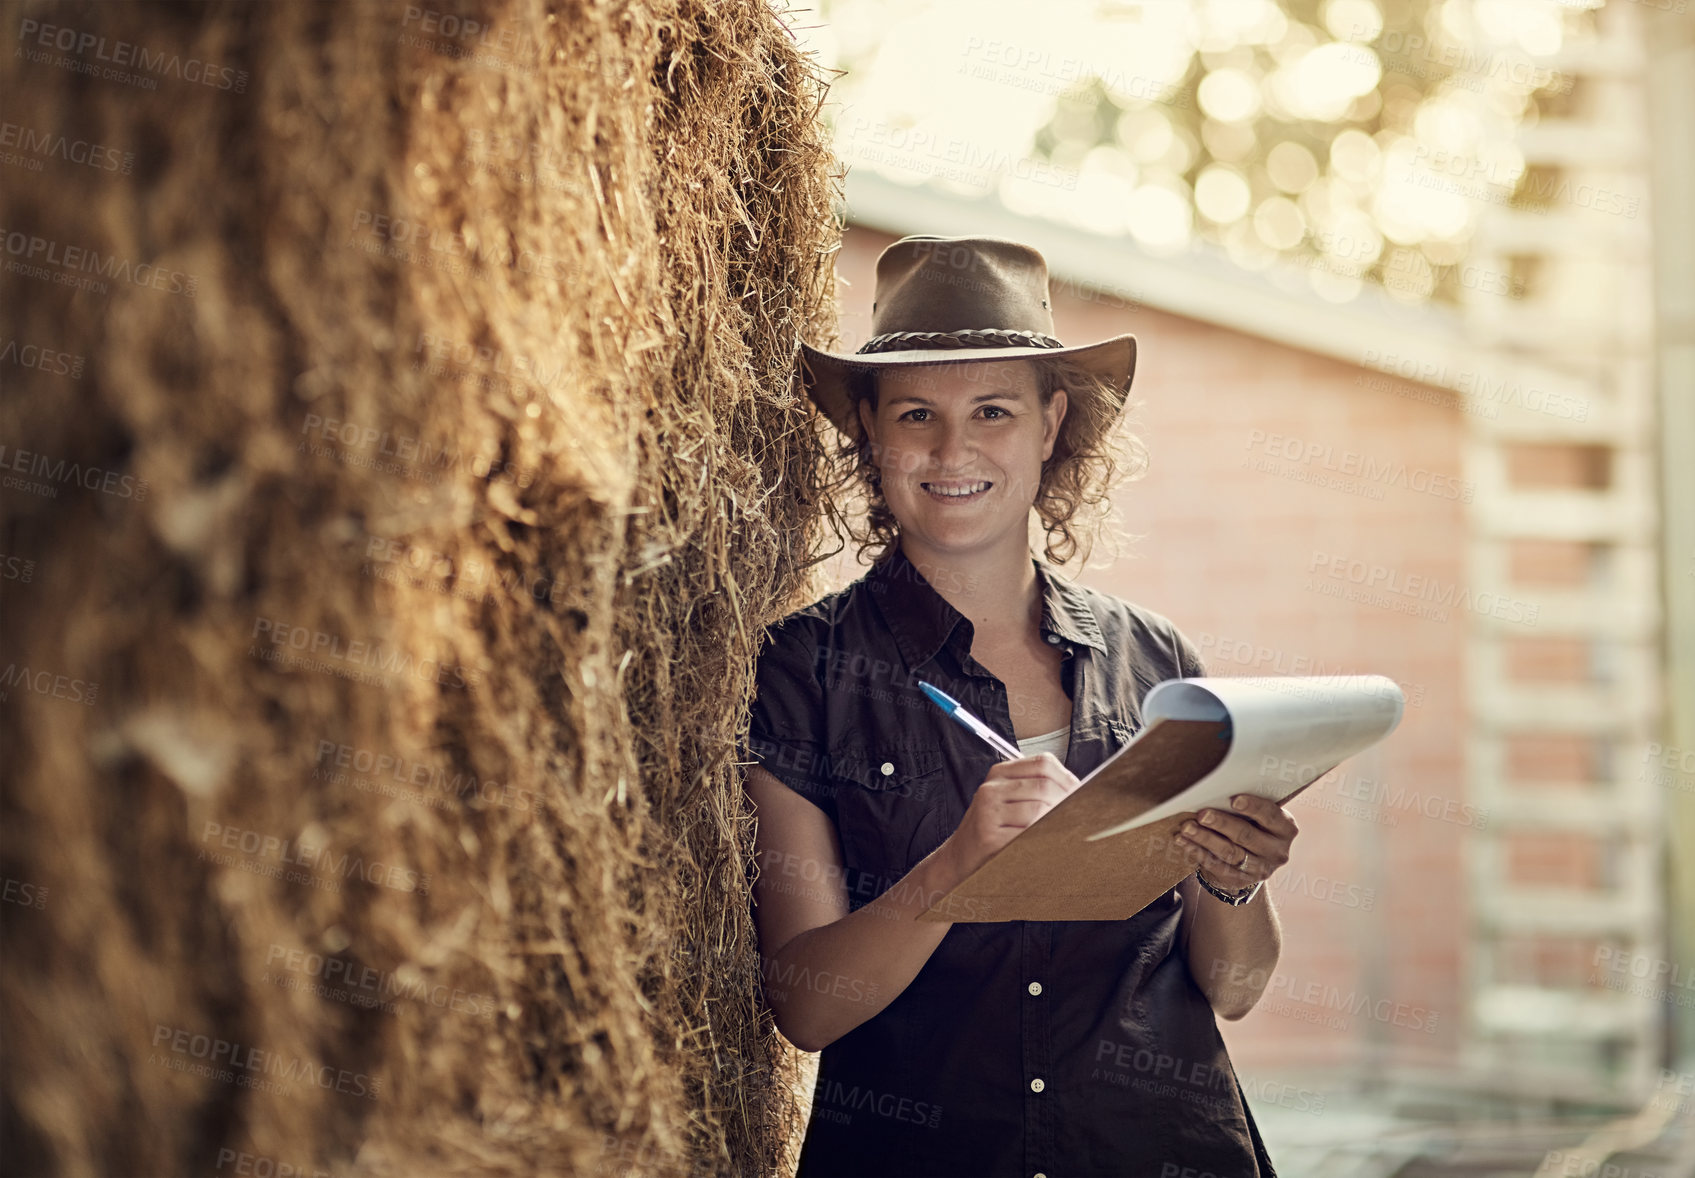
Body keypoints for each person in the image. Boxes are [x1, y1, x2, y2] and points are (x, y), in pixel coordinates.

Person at [742, 235, 1298, 1177]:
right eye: (916, 413)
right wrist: (956, 867)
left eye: (992, 411)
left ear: (1049, 426)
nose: (952, 450)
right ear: (872, 434)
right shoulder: (802, 670)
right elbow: (807, 1007)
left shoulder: (1157, 663)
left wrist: (1234, 879)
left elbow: (1234, 990)